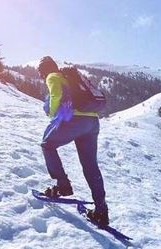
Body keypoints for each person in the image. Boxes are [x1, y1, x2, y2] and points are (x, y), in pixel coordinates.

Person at [37, 56, 110, 227]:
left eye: (40, 72)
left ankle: (63, 185)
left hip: (75, 121)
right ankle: (101, 211)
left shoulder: (52, 76)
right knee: (91, 166)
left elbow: (56, 95)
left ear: (44, 70)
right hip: (92, 122)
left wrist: (52, 113)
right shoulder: (69, 76)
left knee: (48, 145)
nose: (41, 76)